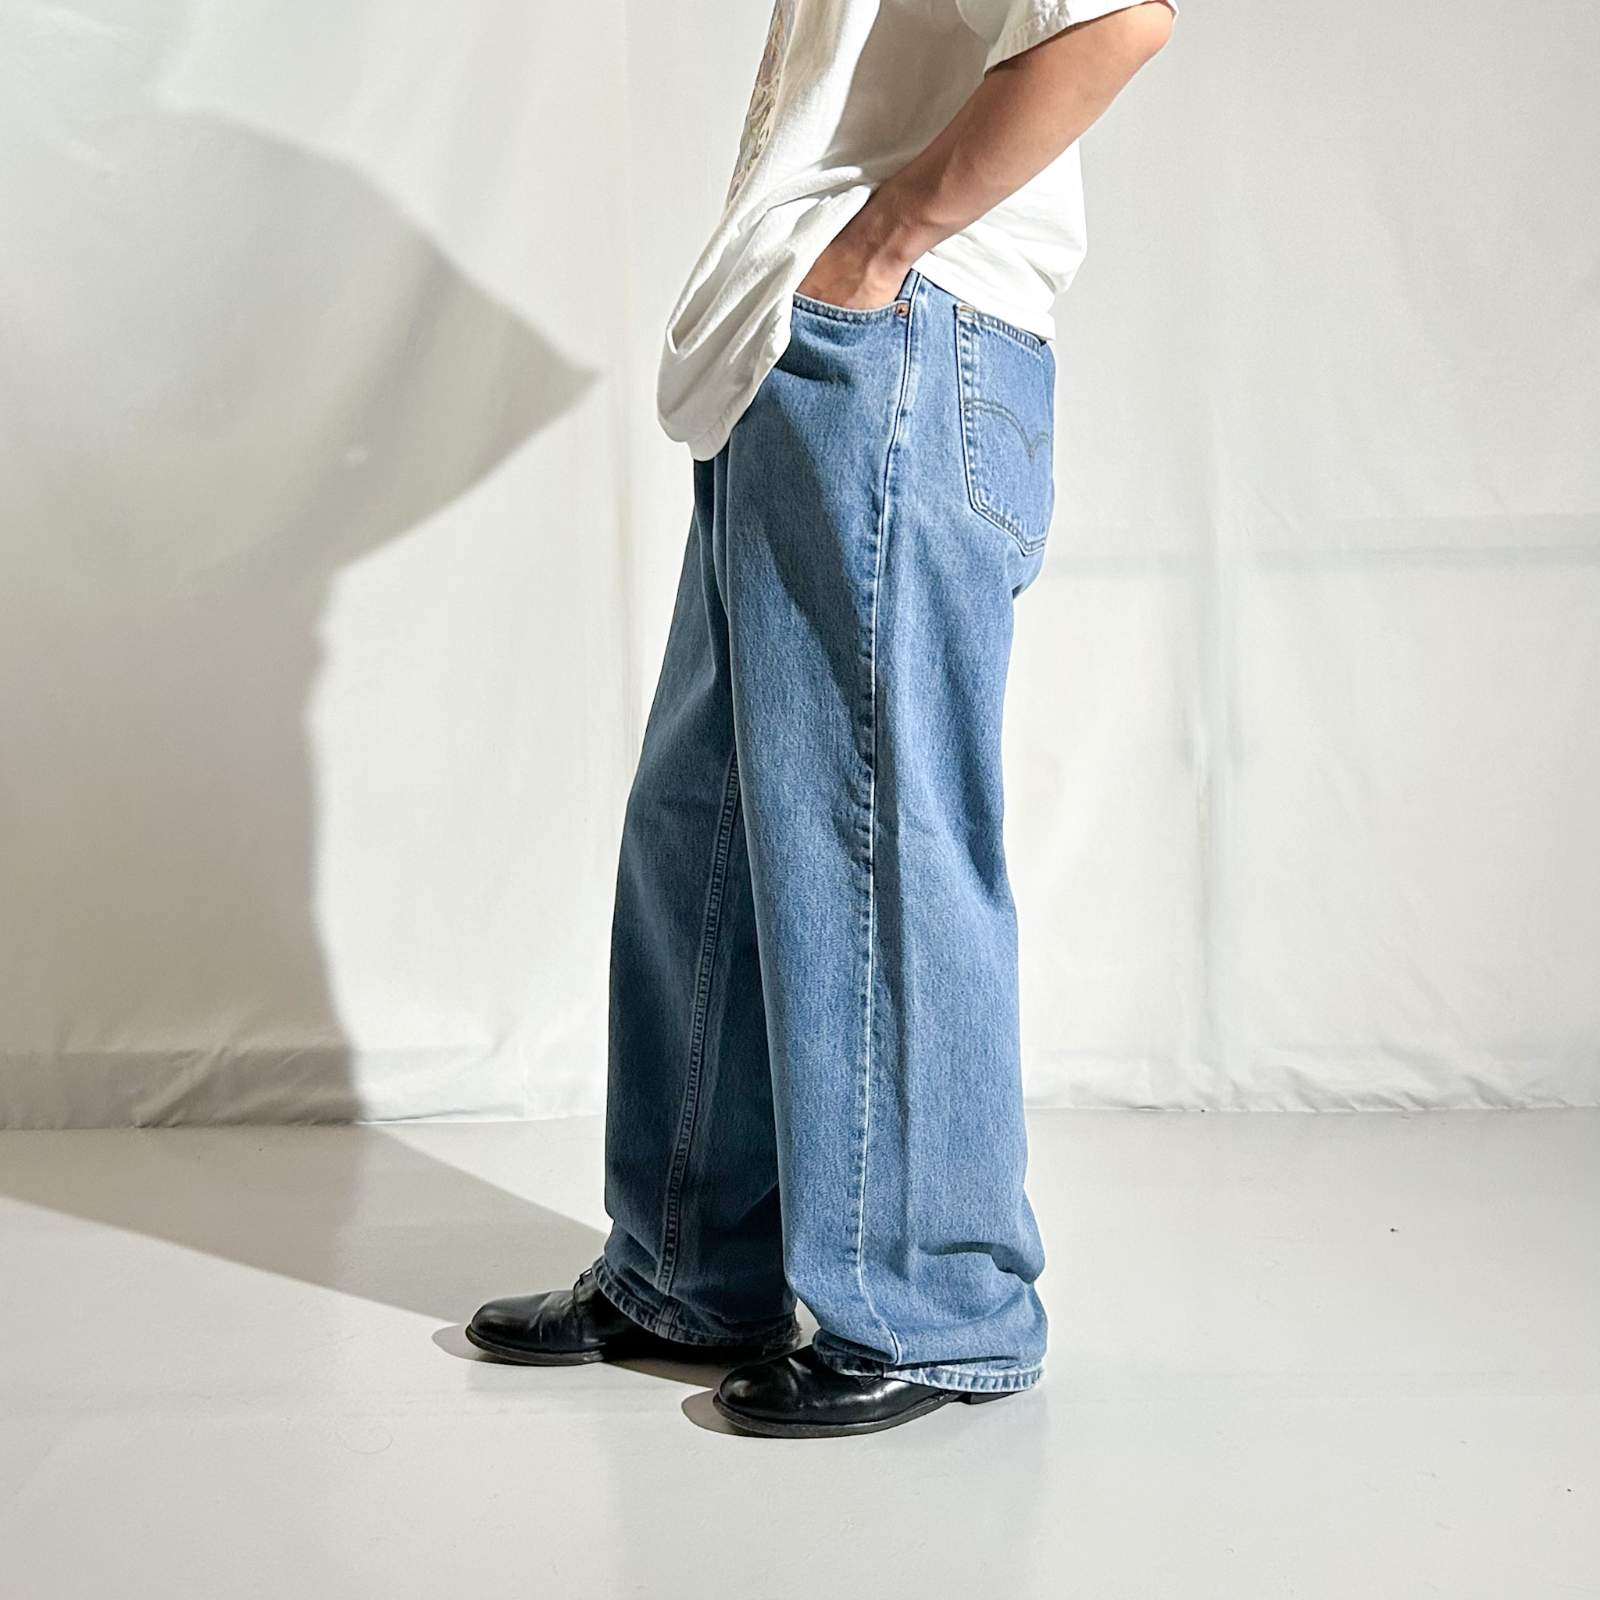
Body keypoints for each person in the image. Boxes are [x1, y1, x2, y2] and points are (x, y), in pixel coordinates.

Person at [469, 0, 1176, 1438]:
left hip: (901, 340)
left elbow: (1116, 21)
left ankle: (933, 1305)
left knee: (876, 830)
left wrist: (882, 243)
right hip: (796, 359)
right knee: (707, 824)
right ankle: (687, 1268)